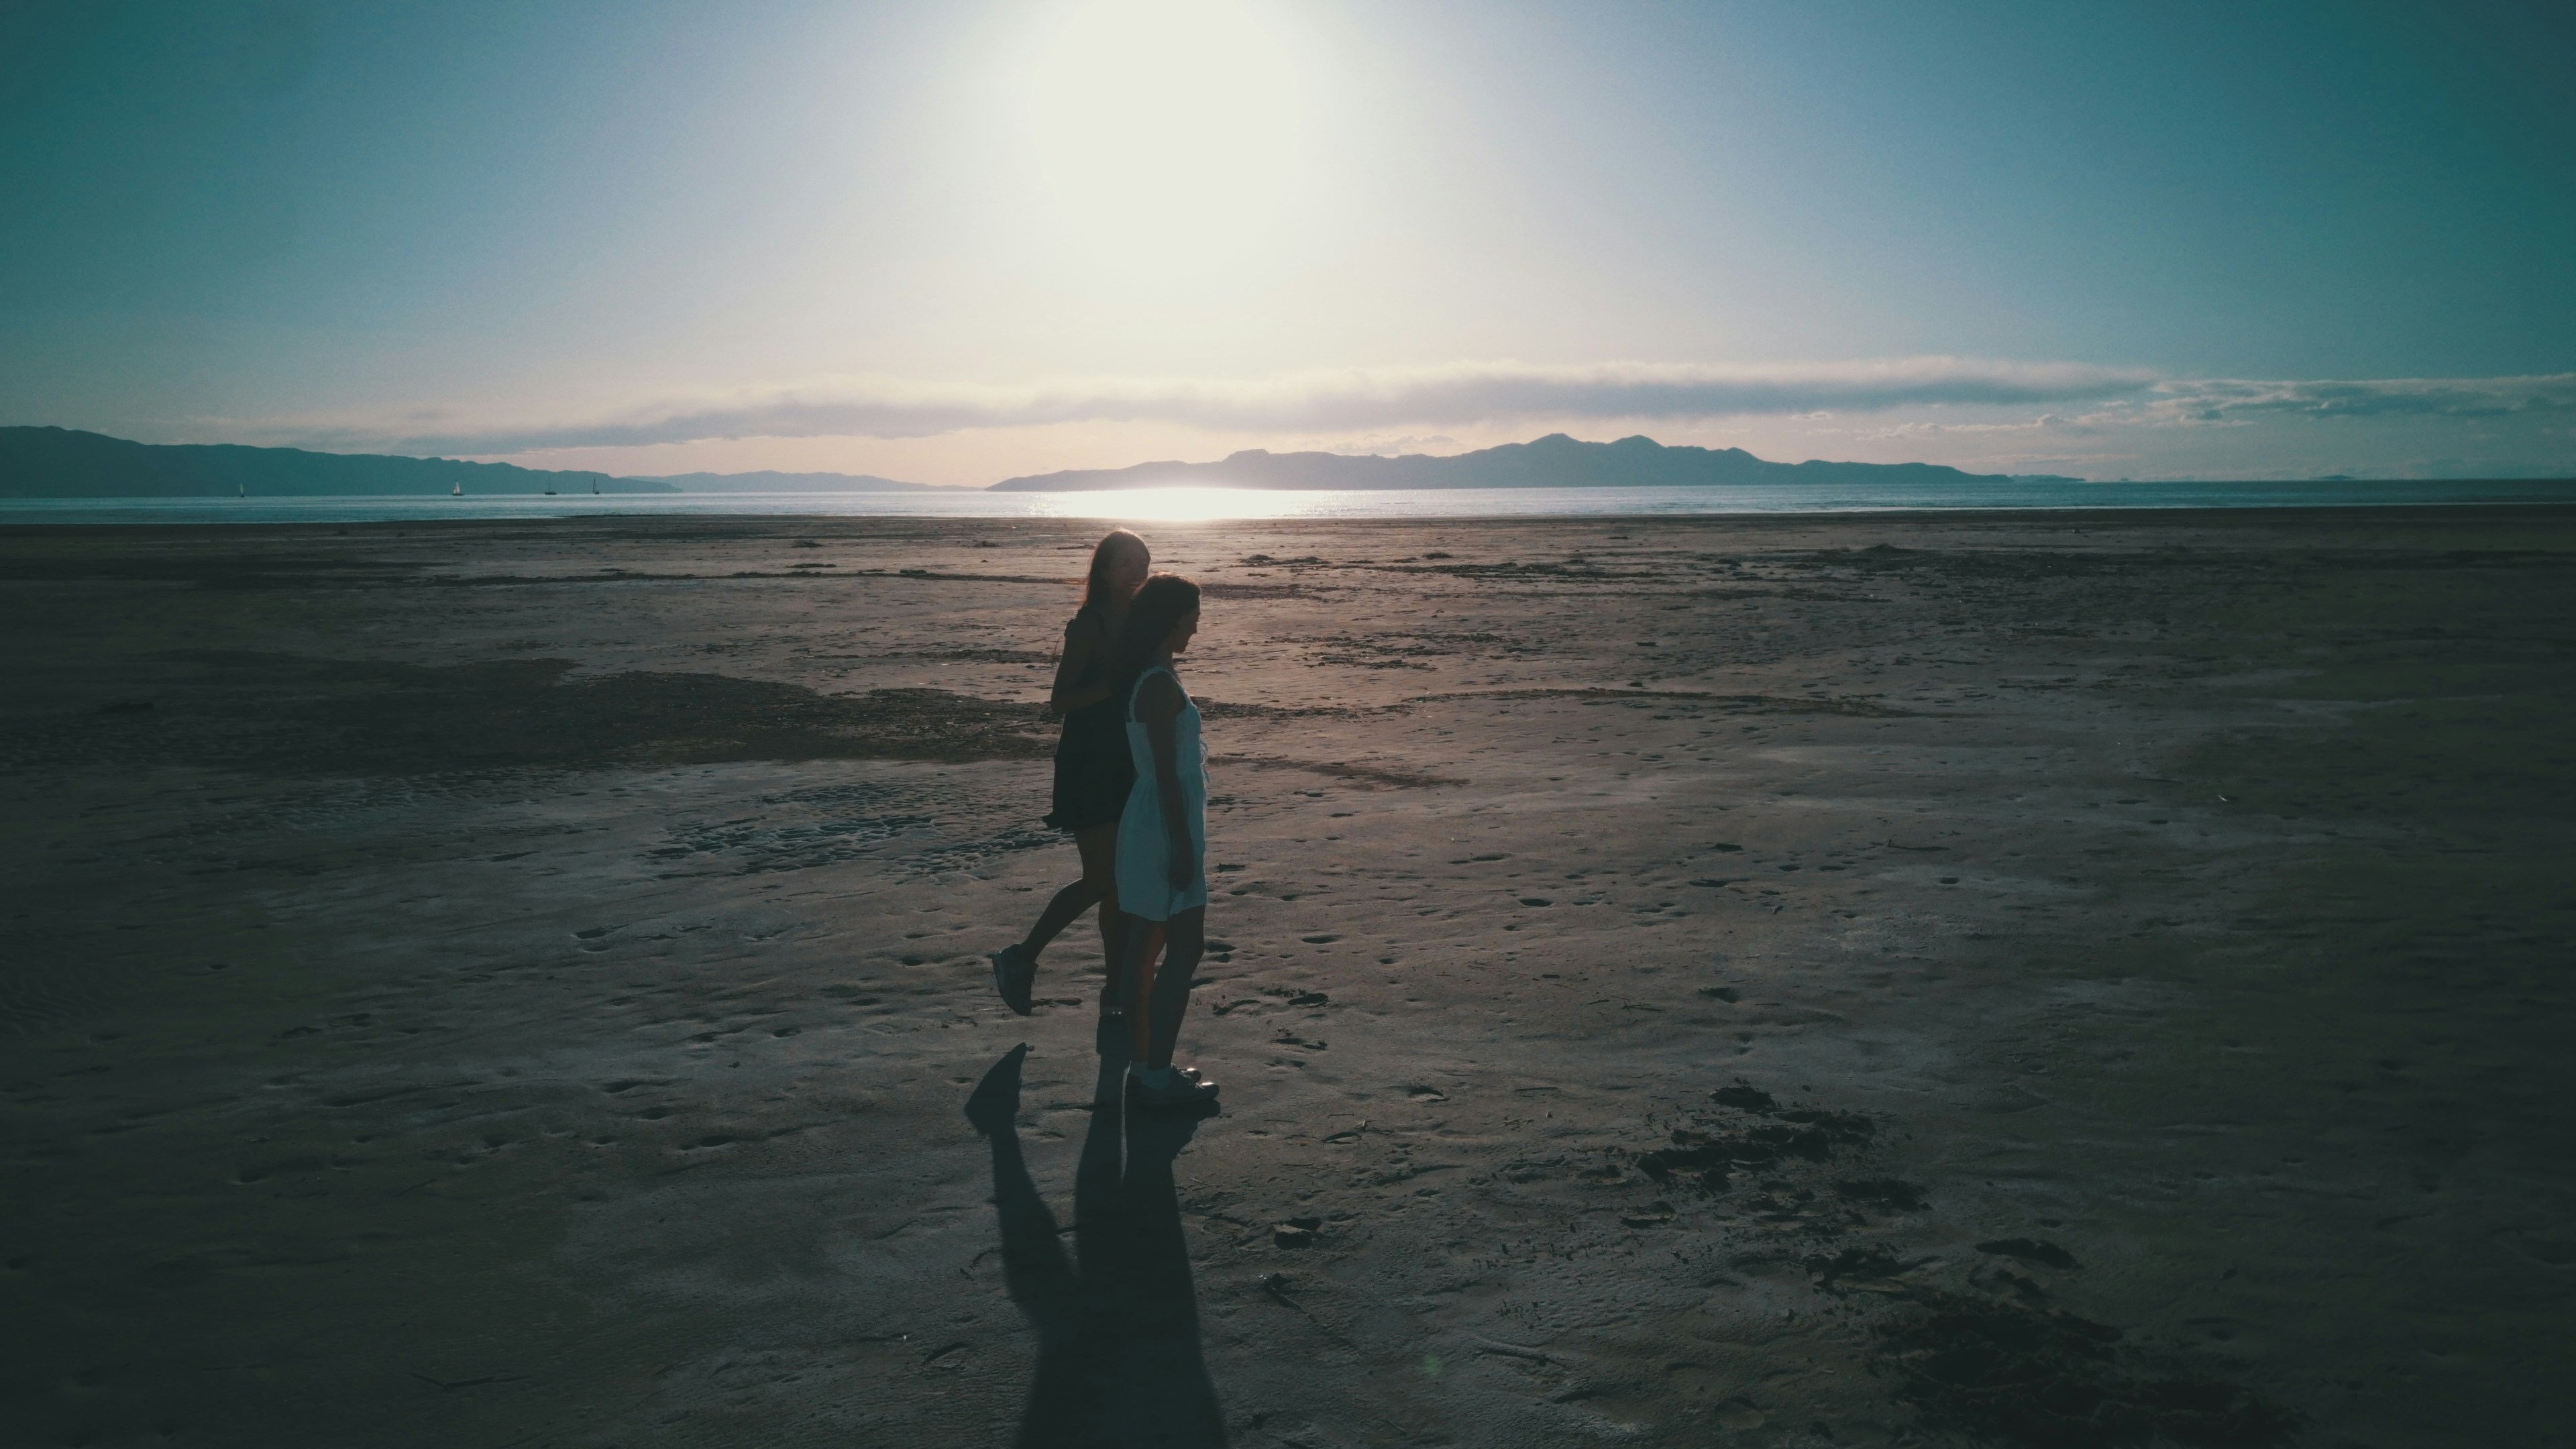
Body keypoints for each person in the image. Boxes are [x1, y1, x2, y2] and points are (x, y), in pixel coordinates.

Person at [989, 530, 1151, 1019]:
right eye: (1125, 563)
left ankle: (1114, 992)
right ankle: (1020, 957)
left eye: (1142, 562)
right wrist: (1111, 684)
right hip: (1089, 761)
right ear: (1103, 571)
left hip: (1130, 759)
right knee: (1101, 879)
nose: (1136, 571)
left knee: (1122, 886)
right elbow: (1060, 701)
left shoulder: (1143, 622)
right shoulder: (1088, 626)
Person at [1106, 574, 1219, 1108]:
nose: (1196, 627)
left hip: (1154, 821)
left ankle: (1144, 1069)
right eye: (1192, 617)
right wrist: (1182, 846)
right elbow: (1170, 777)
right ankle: (1153, 1076)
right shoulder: (1157, 684)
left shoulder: (1157, 677)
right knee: (1181, 947)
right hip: (1160, 826)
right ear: (1173, 619)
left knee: (1147, 945)